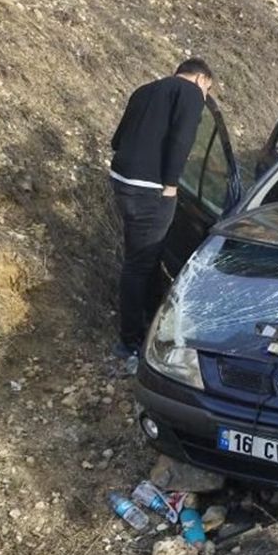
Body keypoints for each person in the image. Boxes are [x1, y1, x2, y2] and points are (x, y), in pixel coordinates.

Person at [109, 58, 214, 359]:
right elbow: (182, 140)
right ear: (200, 79)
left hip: (122, 182)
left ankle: (152, 320)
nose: (205, 96)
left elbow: (118, 141)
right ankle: (129, 341)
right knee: (139, 263)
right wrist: (170, 185)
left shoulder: (145, 90)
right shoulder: (191, 94)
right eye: (208, 89)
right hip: (150, 190)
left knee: (146, 257)